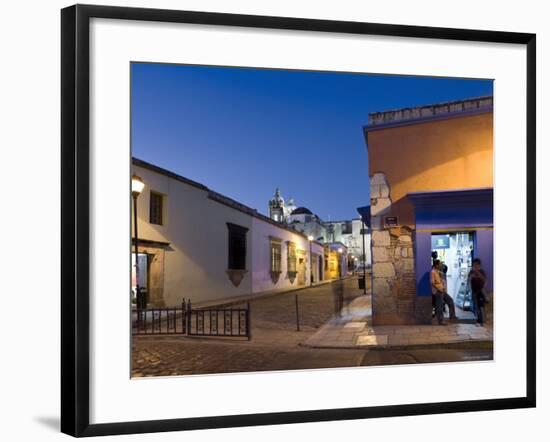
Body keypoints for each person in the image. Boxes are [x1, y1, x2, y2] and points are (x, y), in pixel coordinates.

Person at [469, 258, 487, 326]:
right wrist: (471, 277)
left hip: (480, 291)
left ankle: (481, 321)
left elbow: (484, 280)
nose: (475, 266)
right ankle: (479, 320)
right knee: (477, 306)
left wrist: (478, 273)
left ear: (479, 265)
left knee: (481, 306)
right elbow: (469, 280)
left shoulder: (482, 271)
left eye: (476, 264)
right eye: (474, 264)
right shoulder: (471, 272)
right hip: (474, 291)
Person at [430, 260, 446, 325]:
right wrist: (438, 289)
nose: (440, 265)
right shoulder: (433, 272)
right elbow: (432, 282)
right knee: (439, 306)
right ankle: (440, 321)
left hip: (441, 290)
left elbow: (440, 281)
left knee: (441, 305)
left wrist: (442, 287)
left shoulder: (438, 272)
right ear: (436, 265)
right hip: (437, 291)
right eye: (439, 264)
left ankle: (441, 320)